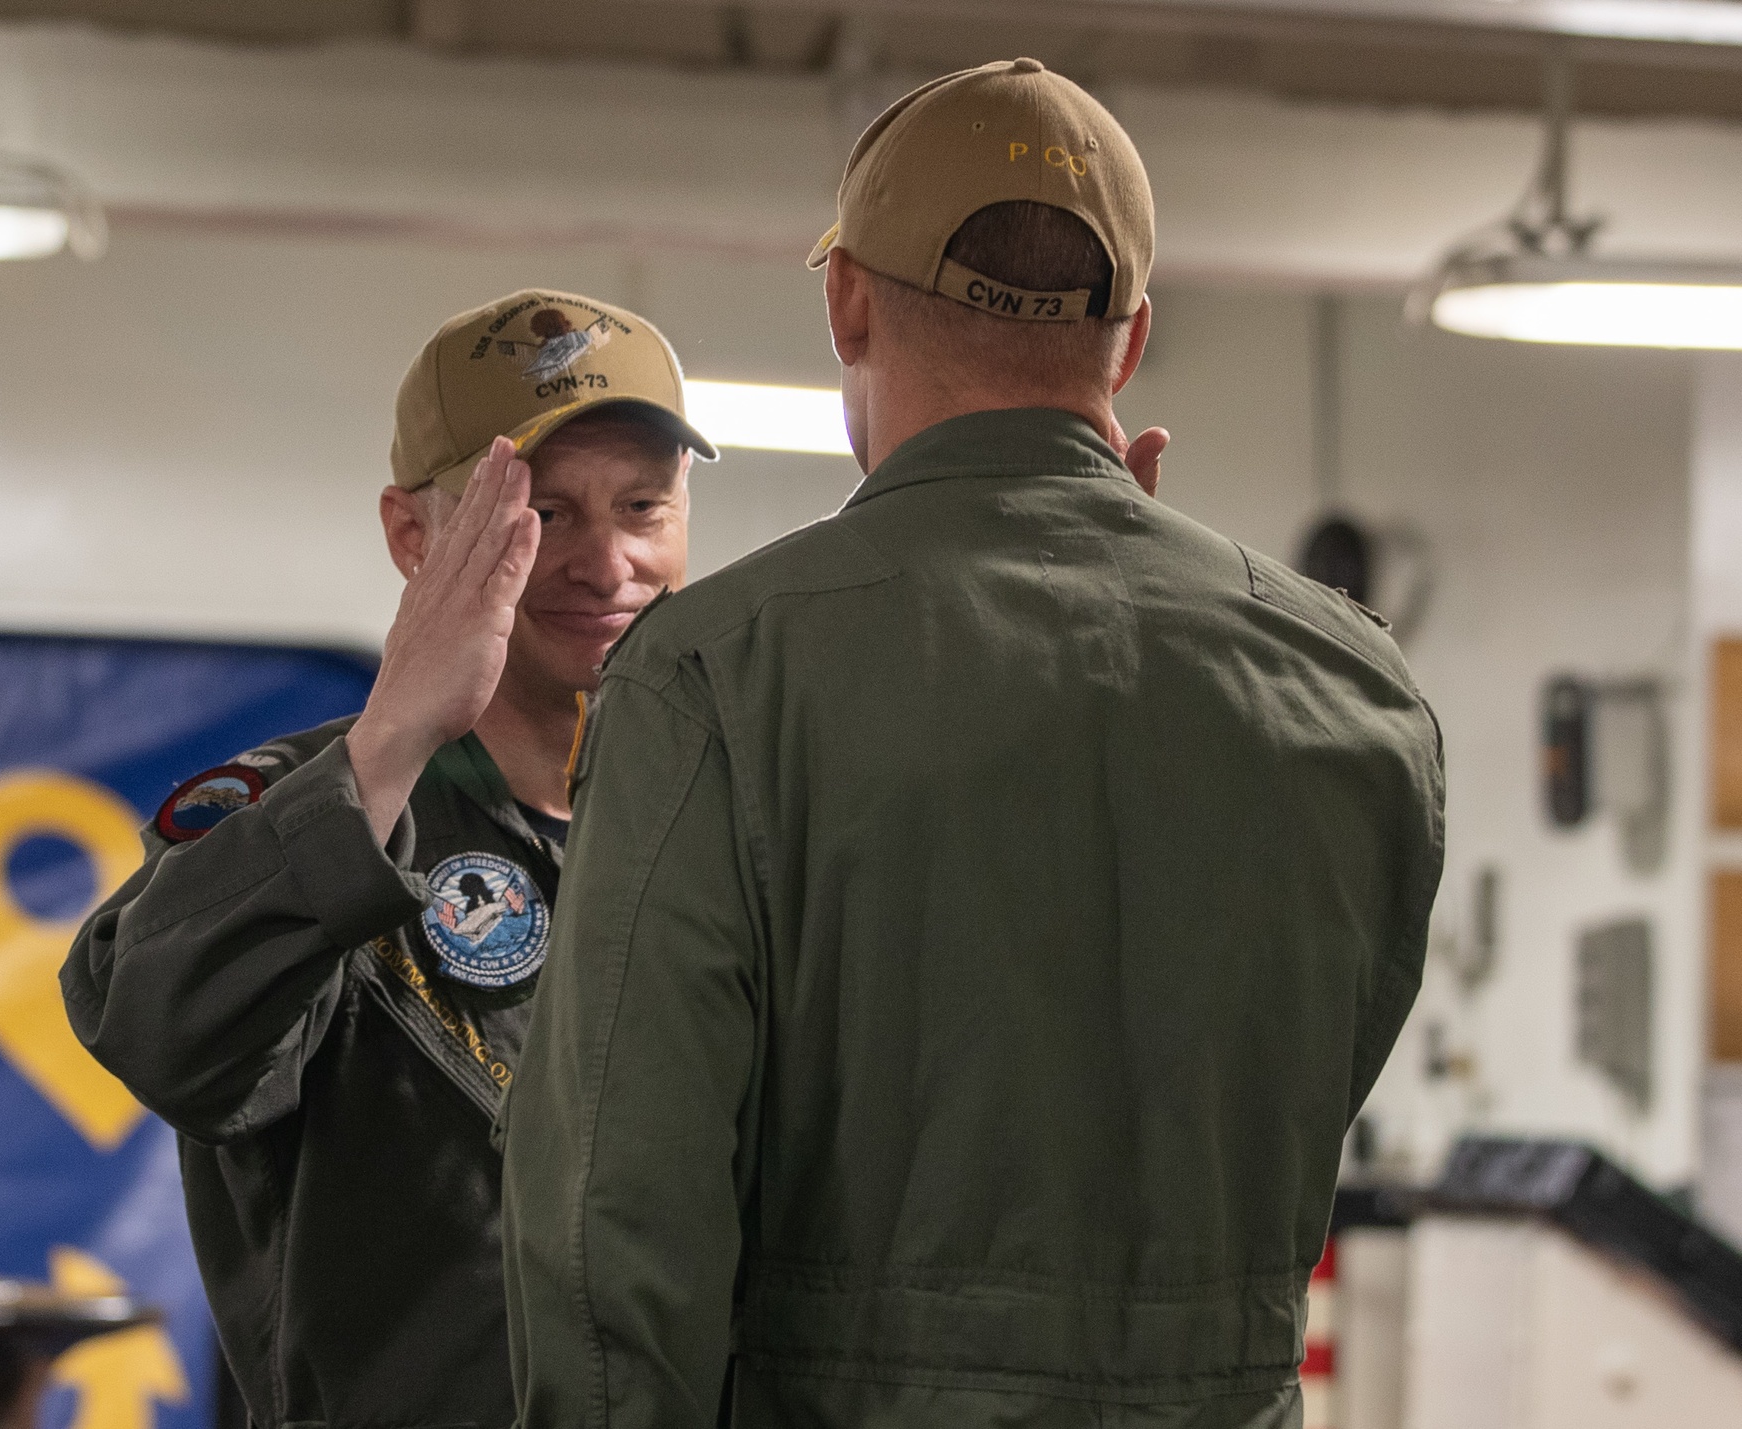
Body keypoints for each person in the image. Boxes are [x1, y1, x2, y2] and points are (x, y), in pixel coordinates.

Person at [500, 60, 1445, 1429]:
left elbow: (613, 1222)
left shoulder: (718, 674)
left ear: (845, 300)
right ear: (1127, 343)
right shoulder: (1354, 689)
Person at [60, 289, 718, 1429]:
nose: (606, 562)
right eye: (542, 516)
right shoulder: (303, 811)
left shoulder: (731, 817)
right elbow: (163, 1035)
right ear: (414, 537)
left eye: (642, 507)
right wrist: (392, 742)